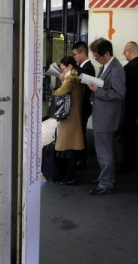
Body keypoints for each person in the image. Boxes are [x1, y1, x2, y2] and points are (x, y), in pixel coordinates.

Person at [88, 38, 126, 195]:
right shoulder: (106, 66)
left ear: (107, 54)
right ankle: (105, 177)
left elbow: (119, 94)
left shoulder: (116, 69)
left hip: (107, 117)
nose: (95, 59)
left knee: (105, 151)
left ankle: (106, 184)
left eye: (97, 56)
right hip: (103, 114)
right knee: (104, 150)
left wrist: (98, 91)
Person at [52, 56, 85, 185]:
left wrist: (56, 89)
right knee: (69, 146)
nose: (62, 71)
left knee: (68, 146)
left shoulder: (71, 78)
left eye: (63, 69)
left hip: (70, 117)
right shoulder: (75, 76)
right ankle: (69, 176)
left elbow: (61, 92)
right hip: (72, 115)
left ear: (70, 66)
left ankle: (70, 177)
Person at [120, 41, 138, 172]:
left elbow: (120, 85)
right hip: (135, 104)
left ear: (129, 50)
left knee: (127, 136)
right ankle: (130, 162)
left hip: (127, 106)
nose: (124, 55)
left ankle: (127, 165)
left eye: (124, 52)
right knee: (130, 134)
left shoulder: (129, 68)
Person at [72, 41, 95, 169]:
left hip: (83, 106)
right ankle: (79, 159)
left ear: (83, 53)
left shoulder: (87, 68)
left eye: (76, 55)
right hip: (82, 106)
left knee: (80, 134)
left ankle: (81, 160)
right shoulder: (84, 67)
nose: (75, 57)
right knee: (79, 133)